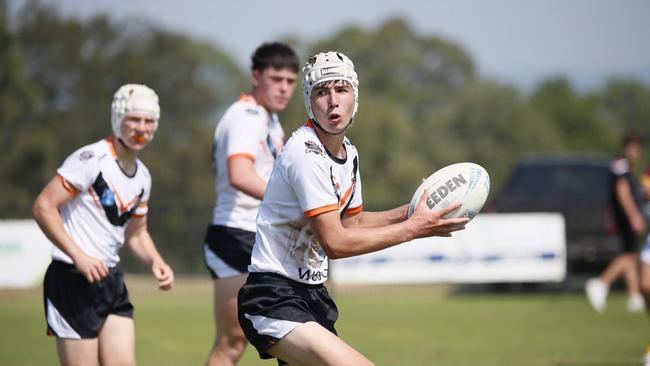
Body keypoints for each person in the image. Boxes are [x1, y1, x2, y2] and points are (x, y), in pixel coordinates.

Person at [236, 51, 469, 365]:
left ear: (354, 97)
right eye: (322, 91)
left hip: (313, 295)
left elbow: (354, 222)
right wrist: (414, 230)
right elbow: (336, 242)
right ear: (309, 101)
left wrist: (411, 211)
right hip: (273, 297)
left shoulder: (349, 153)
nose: (333, 101)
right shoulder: (306, 153)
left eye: (341, 89)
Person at [32, 84, 175, 365]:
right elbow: (44, 207)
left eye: (148, 121)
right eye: (134, 119)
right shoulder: (90, 159)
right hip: (71, 280)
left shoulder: (143, 176)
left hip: (110, 281)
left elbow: (137, 232)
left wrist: (156, 261)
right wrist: (80, 256)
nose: (141, 128)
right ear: (117, 119)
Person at [202, 42, 299, 366]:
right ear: (256, 76)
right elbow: (239, 175)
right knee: (232, 342)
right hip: (234, 235)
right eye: (276, 79)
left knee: (291, 332)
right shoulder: (246, 115)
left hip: (260, 236)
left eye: (290, 81)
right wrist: (291, 206)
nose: (284, 88)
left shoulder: (271, 122)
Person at [585, 132, 646, 313]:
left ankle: (634, 296)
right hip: (625, 217)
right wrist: (634, 215)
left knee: (631, 253)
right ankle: (601, 283)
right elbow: (622, 190)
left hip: (627, 217)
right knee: (629, 256)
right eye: (633, 147)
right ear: (626, 146)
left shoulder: (628, 167)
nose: (636, 152)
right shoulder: (620, 166)